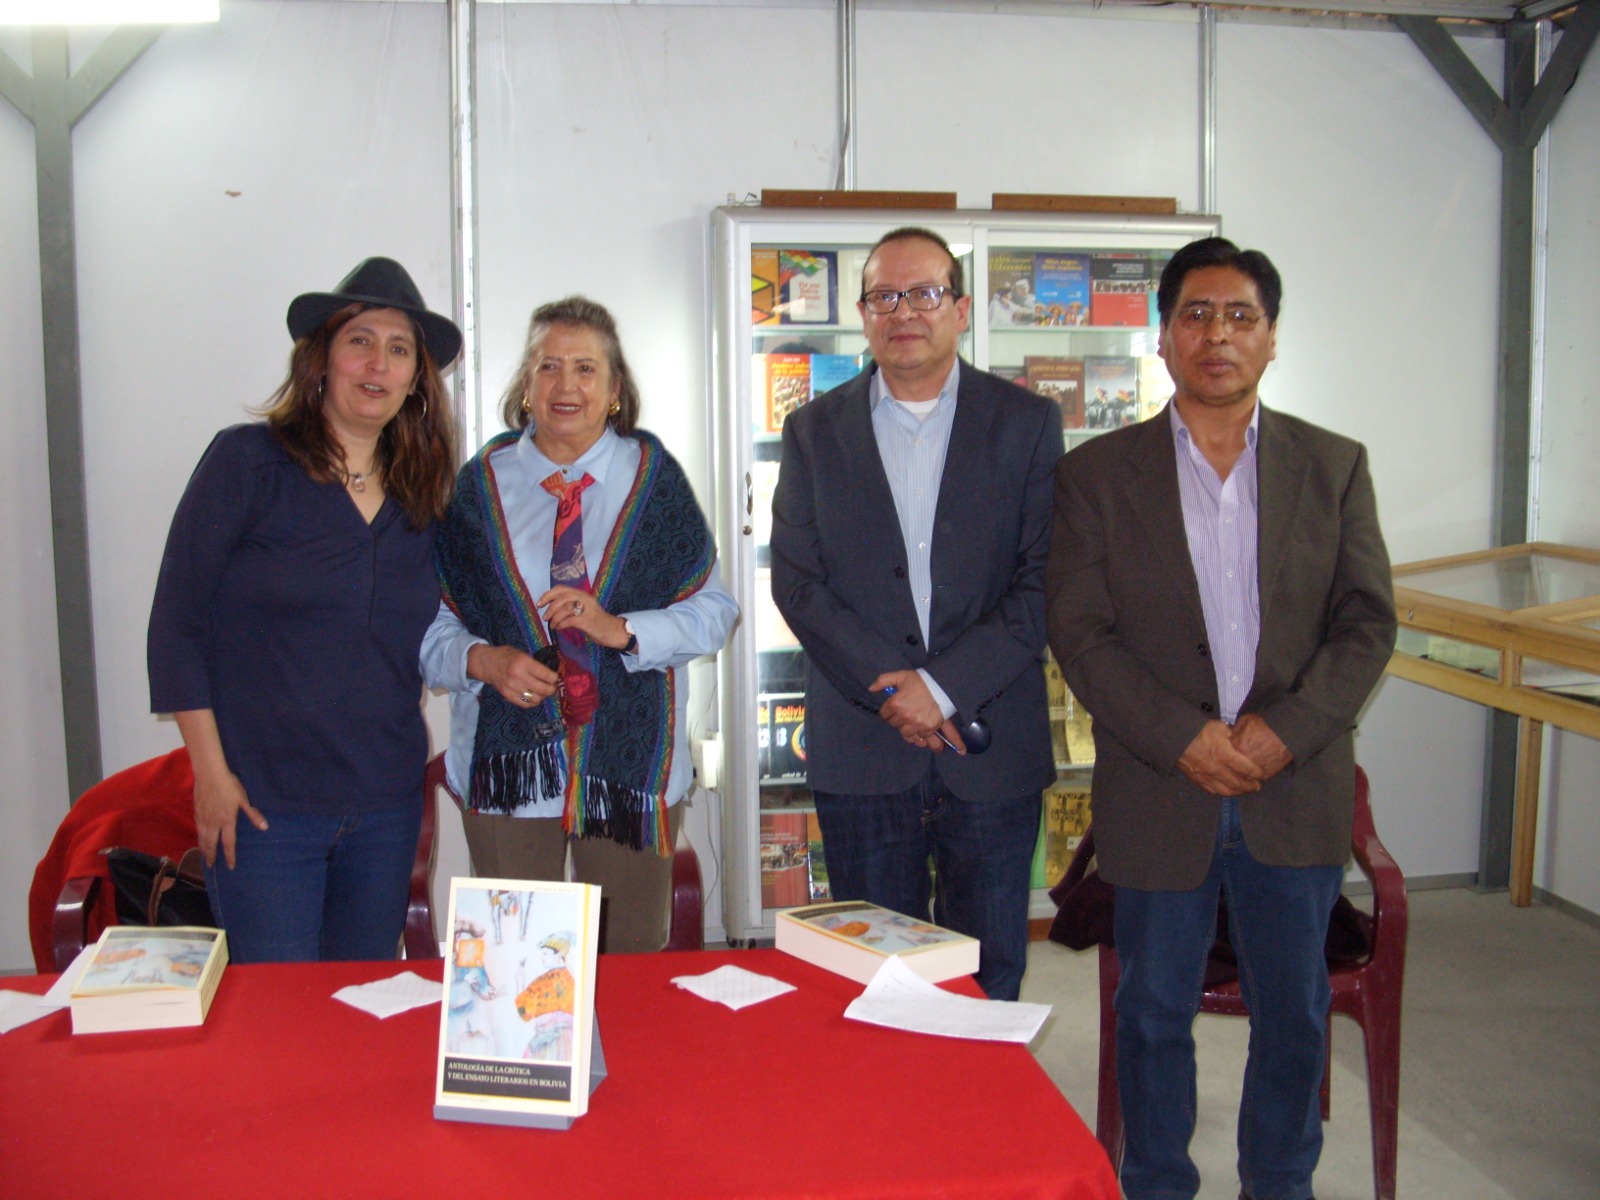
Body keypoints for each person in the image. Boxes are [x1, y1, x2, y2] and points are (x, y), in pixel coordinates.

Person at [1045, 236, 1396, 1200]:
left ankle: (1278, 1185)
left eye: (1241, 316)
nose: (1218, 335)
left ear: (1272, 338)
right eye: (1196, 314)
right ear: (1163, 337)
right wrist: (1182, 736)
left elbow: (1368, 625)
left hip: (1294, 787)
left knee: (1295, 1015)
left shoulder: (1335, 467)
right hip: (1162, 789)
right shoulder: (1096, 476)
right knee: (1154, 1012)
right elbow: (1079, 631)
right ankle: (1158, 1181)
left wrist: (1285, 729)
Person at [769, 227, 1063, 1001]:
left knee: (990, 967)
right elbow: (798, 583)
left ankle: (981, 1122)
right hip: (864, 748)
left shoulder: (1027, 425)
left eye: (926, 293)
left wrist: (943, 686)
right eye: (884, 297)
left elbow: (1045, 582)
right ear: (863, 316)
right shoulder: (811, 431)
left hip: (989, 748)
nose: (906, 312)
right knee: (875, 975)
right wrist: (893, 689)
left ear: (962, 309)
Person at [148, 256, 461, 963]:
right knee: (275, 1027)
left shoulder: (424, 496)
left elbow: (458, 618)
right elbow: (177, 626)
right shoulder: (247, 464)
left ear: (416, 379)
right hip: (262, 809)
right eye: (360, 341)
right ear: (321, 358)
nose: (378, 363)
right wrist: (210, 776)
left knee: (359, 1013)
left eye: (400, 348)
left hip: (384, 807)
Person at [423, 296, 737, 953]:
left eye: (587, 369)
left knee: (628, 965)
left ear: (616, 390)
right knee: (515, 962)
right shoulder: (477, 489)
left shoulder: (655, 481)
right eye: (548, 367)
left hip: (631, 767)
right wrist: (483, 662)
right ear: (524, 385)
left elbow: (715, 612)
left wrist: (622, 630)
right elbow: (430, 626)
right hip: (510, 771)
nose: (566, 385)